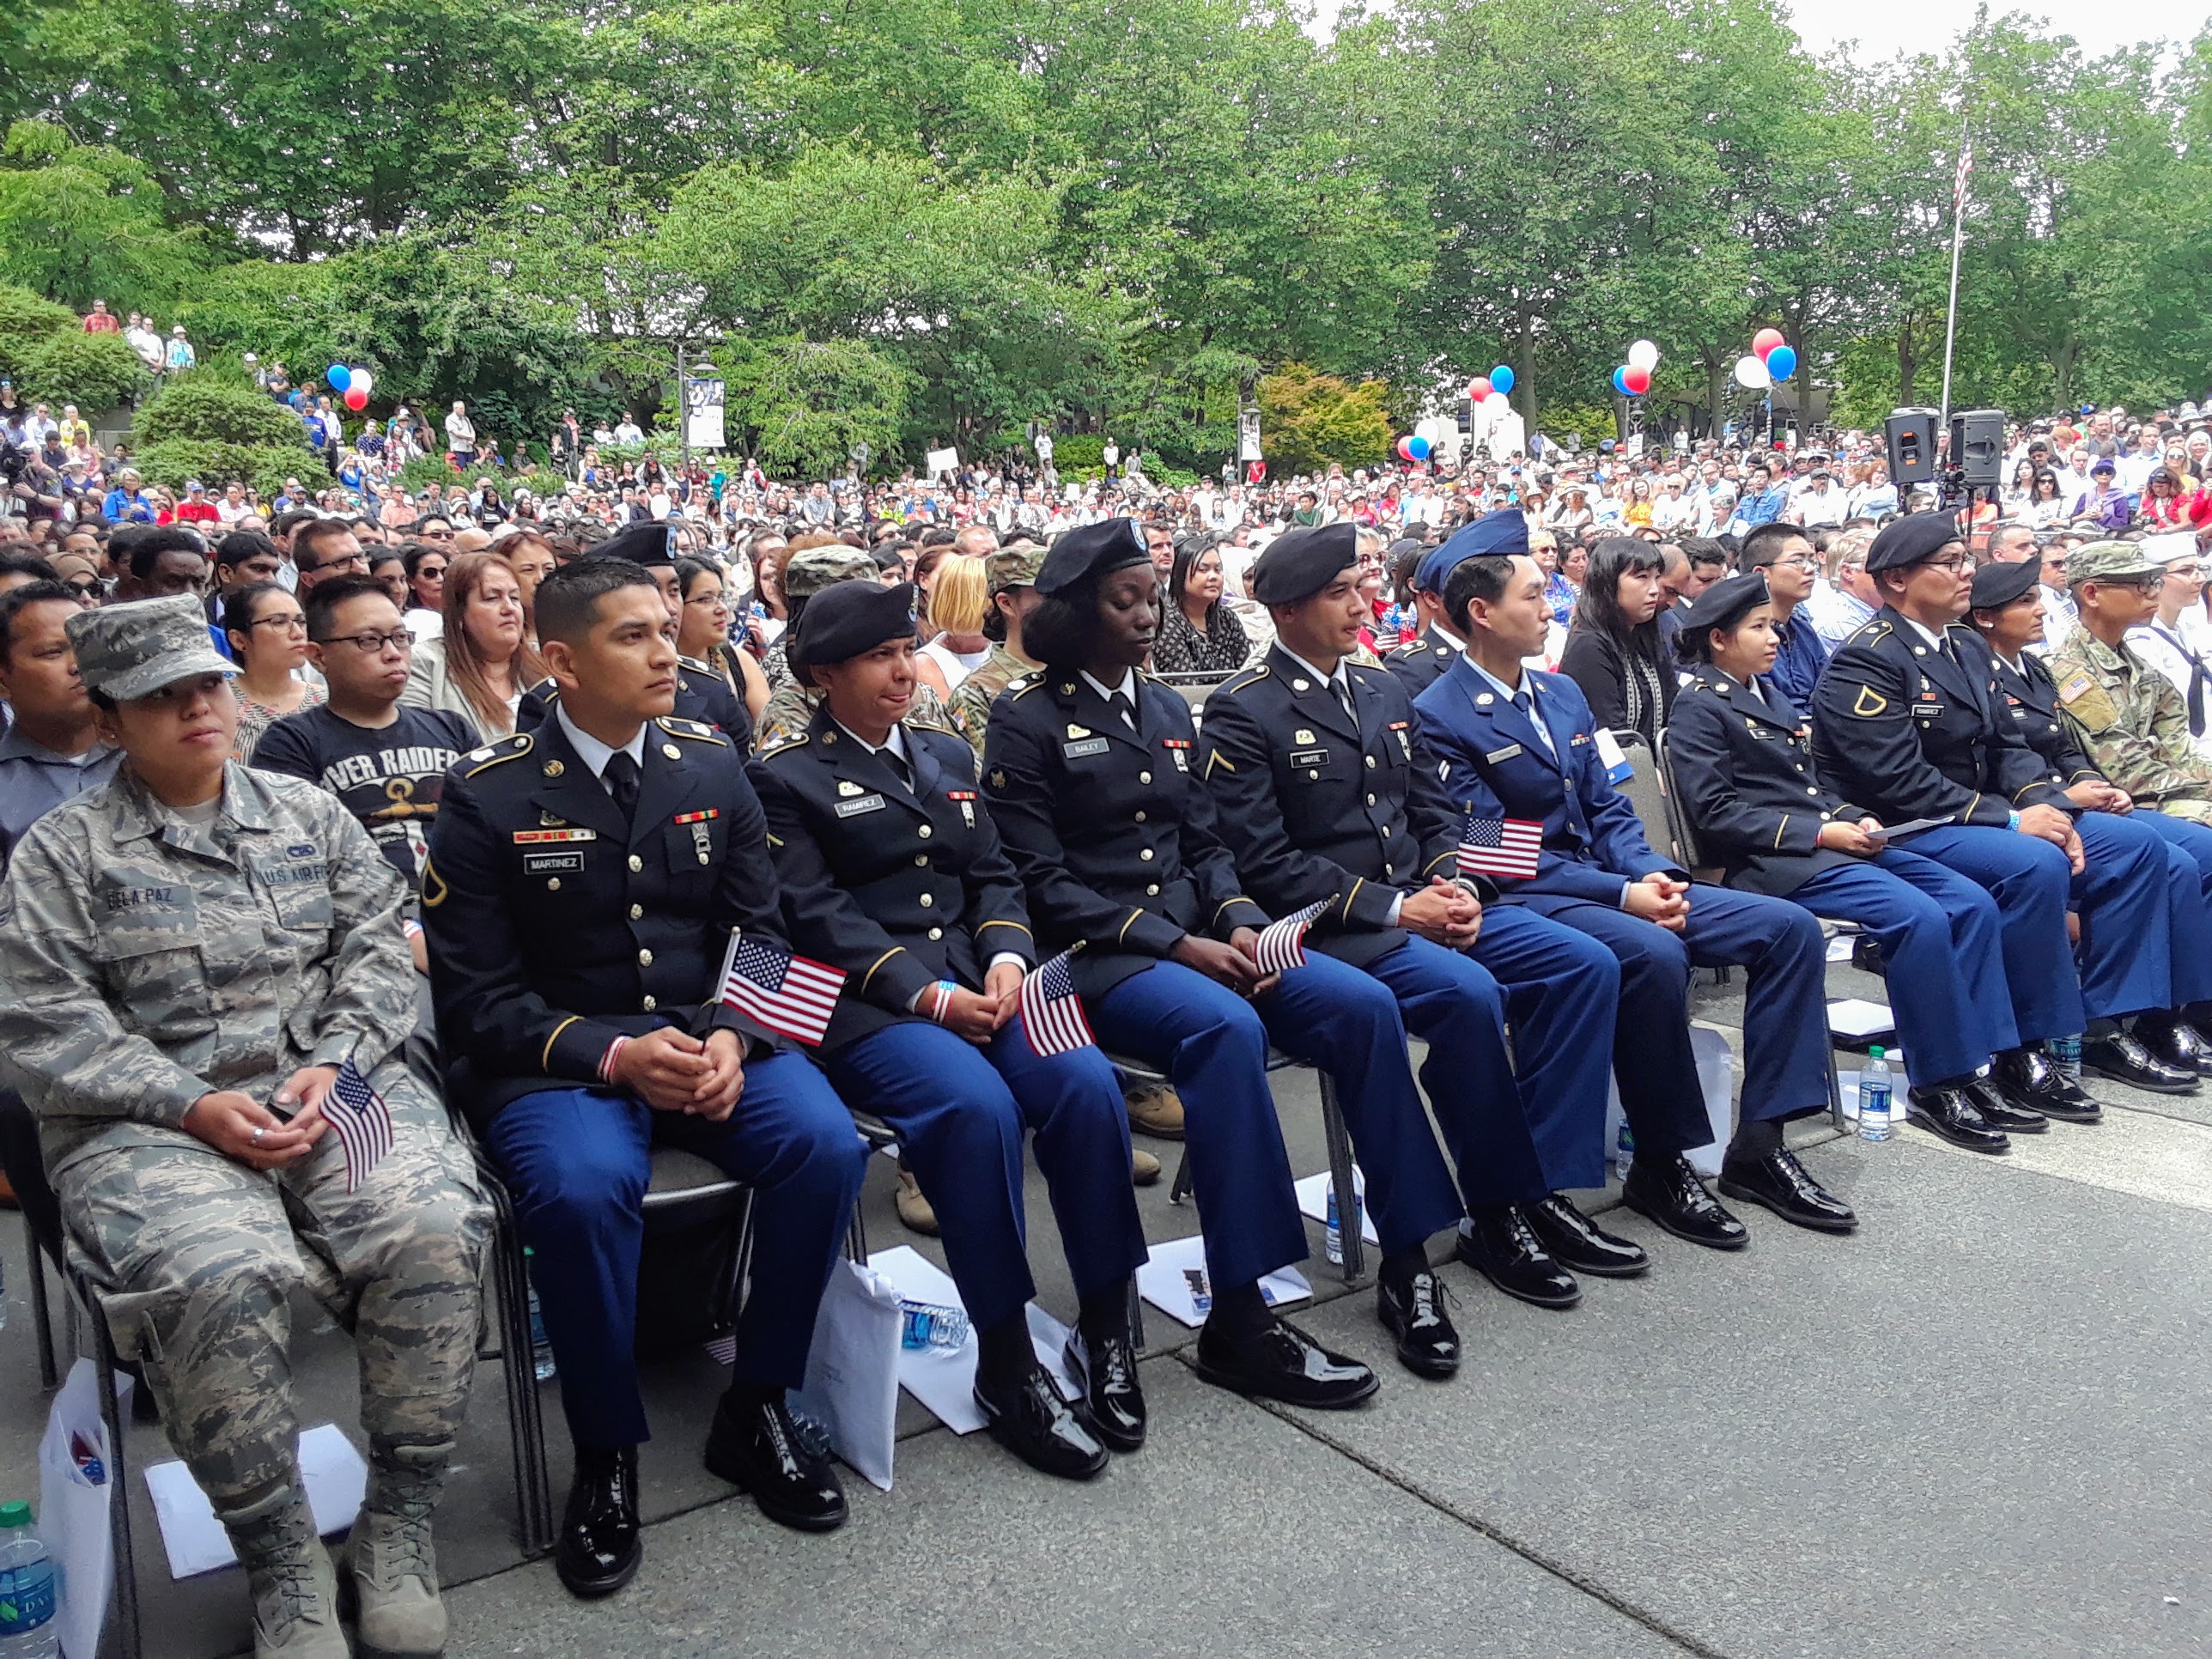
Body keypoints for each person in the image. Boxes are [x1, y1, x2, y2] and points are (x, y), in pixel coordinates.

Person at [0, 595, 488, 1659]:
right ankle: (279, 1554)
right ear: (111, 718)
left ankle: (398, 1516)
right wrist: (188, 1102)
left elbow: (373, 943)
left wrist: (339, 1059)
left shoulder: (304, 813)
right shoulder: (61, 853)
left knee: (432, 1225)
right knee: (216, 1271)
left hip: (328, 1083)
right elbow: (44, 1020)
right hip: (146, 1119)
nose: (195, 709)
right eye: (160, 697)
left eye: (206, 685)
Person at [422, 560, 866, 1597]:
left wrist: (731, 1036)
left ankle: (757, 1404)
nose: (669, 652)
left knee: (824, 1145)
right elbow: (475, 1001)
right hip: (559, 1062)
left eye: (667, 629)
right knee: (578, 1193)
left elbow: (762, 932)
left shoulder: (711, 765)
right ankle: (605, 1454)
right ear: (562, 661)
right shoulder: (489, 795)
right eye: (634, 637)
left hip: (705, 1039)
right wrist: (613, 1055)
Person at [981, 520, 1383, 1404]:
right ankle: (1237, 1313)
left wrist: (1238, 922)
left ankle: (1393, 1252)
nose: (1143, 615)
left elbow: (1204, 844)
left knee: (1347, 1002)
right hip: (1093, 953)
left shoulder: (1164, 709)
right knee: (1222, 1024)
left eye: (1148, 598)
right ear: (1074, 614)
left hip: (1191, 937)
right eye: (1123, 601)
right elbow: (1038, 880)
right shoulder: (1025, 718)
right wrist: (1177, 942)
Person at [750, 580, 1146, 1475]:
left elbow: (995, 875)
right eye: (878, 658)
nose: (902, 671)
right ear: (821, 676)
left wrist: (1007, 958)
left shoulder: (941, 754)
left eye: (904, 650)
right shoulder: (785, 779)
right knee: (976, 1111)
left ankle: (1105, 1320)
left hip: (984, 982)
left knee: (1085, 1086)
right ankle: (1006, 1362)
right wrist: (927, 996)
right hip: (873, 1007)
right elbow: (814, 916)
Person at [1200, 526, 1644, 1302]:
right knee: (1467, 998)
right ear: (1285, 611)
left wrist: (1457, 884)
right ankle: (1494, 1213)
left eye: (1359, 586)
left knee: (1582, 964)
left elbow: (1437, 813)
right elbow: (1263, 859)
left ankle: (1542, 1185)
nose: (1362, 602)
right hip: (1336, 924)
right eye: (1339, 593)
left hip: (1431, 901)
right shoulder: (1245, 711)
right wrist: (1400, 906)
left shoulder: (1381, 689)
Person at [1413, 548, 1833, 1241]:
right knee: (1650, 953)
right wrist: (1621, 894)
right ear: (1481, 614)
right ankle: (1660, 1162)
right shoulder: (1440, 713)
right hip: (1533, 895)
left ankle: (1761, 1143)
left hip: (1612, 882)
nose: (1549, 607)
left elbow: (1607, 805)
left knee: (1787, 929)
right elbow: (1492, 847)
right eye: (1531, 596)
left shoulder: (1561, 695)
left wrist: (1648, 871)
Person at [1810, 513, 2191, 1109]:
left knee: (2136, 848)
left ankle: (2110, 1021)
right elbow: (1897, 780)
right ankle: (2021, 1047)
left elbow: (2008, 746)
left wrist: (2048, 806)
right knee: (2030, 864)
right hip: (1910, 825)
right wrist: (2016, 821)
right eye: (1951, 564)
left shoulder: (1964, 643)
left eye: (1966, 560)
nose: (1967, 573)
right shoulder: (1868, 659)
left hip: (1983, 812)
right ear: (1897, 581)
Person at [1668, 575, 2031, 1156]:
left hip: (1827, 843)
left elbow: (1808, 787)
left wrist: (1854, 817)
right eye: (1759, 628)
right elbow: (1716, 813)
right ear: (1718, 638)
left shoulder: (1765, 694)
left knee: (1970, 901)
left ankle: (1977, 1064)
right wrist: (1821, 831)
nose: (1774, 640)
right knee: (1917, 917)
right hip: (1775, 862)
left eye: (1774, 627)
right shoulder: (1700, 708)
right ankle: (1938, 1085)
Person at [1970, 550, 2212, 1073]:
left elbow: (2070, 753)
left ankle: (2172, 1010)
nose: (2042, 610)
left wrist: (2087, 784)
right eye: (2027, 601)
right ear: (1985, 616)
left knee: (2186, 855)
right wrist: (2068, 794)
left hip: (2082, 798)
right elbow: (1996, 763)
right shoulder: (2009, 672)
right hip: (2026, 811)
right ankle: (2117, 1018)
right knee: (2170, 856)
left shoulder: (2031, 669)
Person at [253, 574, 475, 972]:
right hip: (365, 931)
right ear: (318, 656)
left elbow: (491, 832)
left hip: (469, 909)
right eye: (369, 641)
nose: (393, 653)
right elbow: (298, 866)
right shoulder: (292, 743)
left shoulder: (451, 728)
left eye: (400, 638)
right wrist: (402, 932)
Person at [2046, 539, 2212, 824]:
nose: (2152, 593)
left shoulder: (2137, 666)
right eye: (2139, 584)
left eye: (2154, 582)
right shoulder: (2070, 670)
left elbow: (2179, 746)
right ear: (2092, 594)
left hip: (2166, 791)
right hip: (2120, 804)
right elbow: (2123, 768)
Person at [0, 580, 123, 866]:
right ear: (3, 680)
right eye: (52, 653)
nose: (77, 665)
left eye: (85, 647)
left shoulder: (153, 754)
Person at [402, 551, 542, 743]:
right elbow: (420, 745)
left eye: (514, 598)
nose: (509, 608)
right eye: (492, 598)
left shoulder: (544, 663)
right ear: (459, 612)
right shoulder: (423, 665)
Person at [1383, 512, 1524, 699]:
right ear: (1432, 599)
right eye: (1462, 592)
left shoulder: (1504, 650)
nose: (1479, 604)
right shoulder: (1410, 668)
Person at [1556, 536, 1673, 744]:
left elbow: (1674, 709)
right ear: (1608, 583)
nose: (1655, 589)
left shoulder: (1647, 636)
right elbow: (1610, 736)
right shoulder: (1588, 647)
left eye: (1656, 577)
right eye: (1642, 577)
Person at [222, 582, 325, 759]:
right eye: (278, 622)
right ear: (239, 639)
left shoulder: (325, 702)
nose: (298, 633)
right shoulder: (220, 706)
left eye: (301, 622)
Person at [675, 556, 769, 723]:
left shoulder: (739, 661)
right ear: (675, 606)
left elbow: (770, 733)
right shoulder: (663, 672)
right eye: (705, 599)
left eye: (720, 597)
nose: (722, 609)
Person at [1152, 538, 1251, 674]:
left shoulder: (1227, 618)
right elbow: (1186, 686)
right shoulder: (1166, 622)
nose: (1213, 577)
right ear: (1179, 575)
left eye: (1217, 569)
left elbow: (1247, 673)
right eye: (1203, 570)